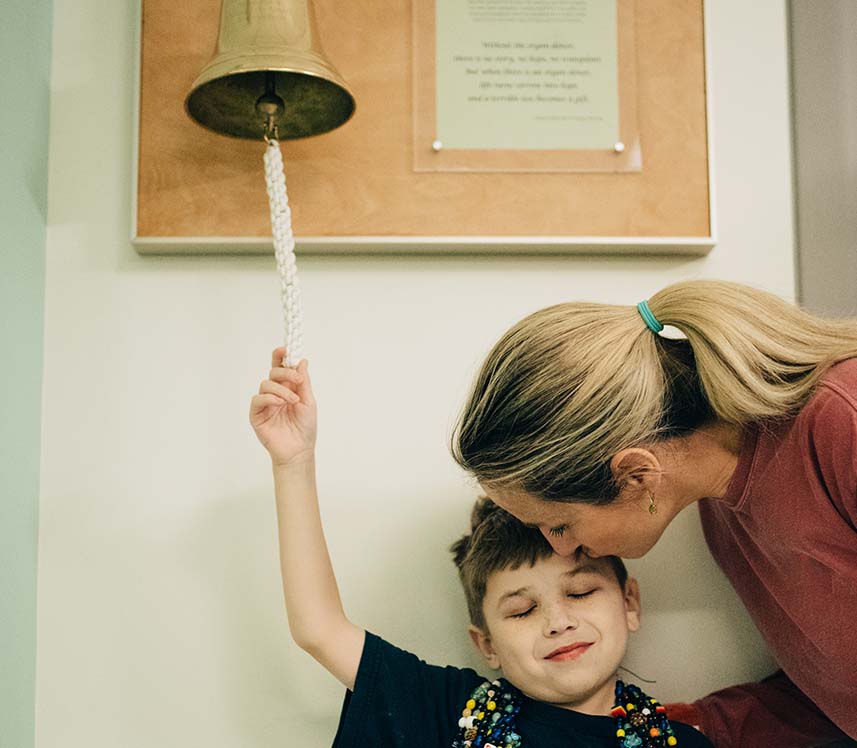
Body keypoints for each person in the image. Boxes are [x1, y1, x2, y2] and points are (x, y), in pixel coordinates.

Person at [451, 279, 857, 747]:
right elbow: (836, 691)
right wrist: (662, 730)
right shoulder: (721, 514)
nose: (556, 546)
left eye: (558, 524)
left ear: (636, 476)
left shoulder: (841, 426)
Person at [249, 347, 712, 748]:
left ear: (629, 603)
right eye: (521, 610)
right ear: (486, 643)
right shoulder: (449, 711)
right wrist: (293, 462)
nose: (558, 622)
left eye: (580, 593)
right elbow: (319, 628)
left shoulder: (682, 742)